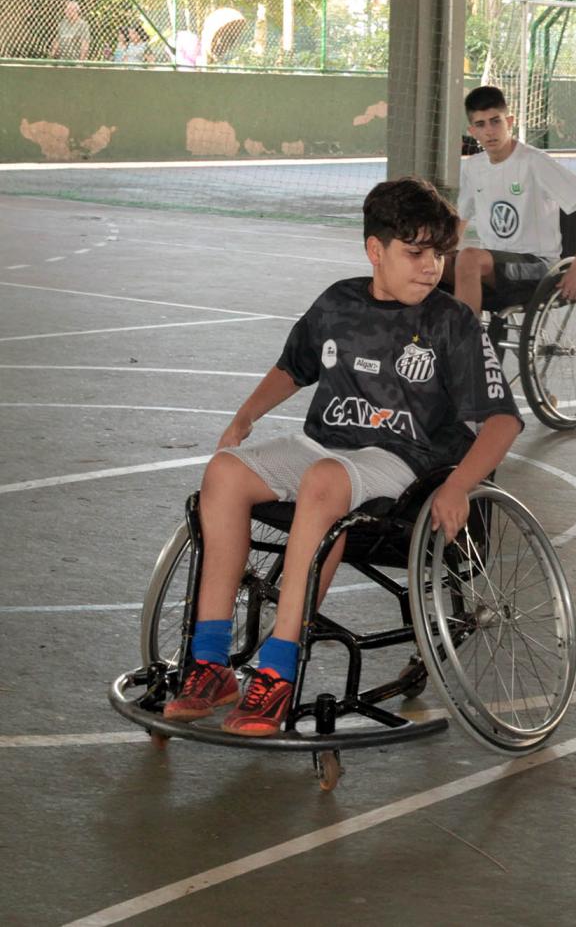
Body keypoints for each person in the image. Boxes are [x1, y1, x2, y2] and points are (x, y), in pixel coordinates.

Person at [162, 177, 523, 736]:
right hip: (324, 446)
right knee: (225, 473)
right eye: (415, 253)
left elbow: (502, 421)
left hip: (405, 461)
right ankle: (211, 664)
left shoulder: (450, 321)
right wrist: (246, 415)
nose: (431, 267)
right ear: (375, 251)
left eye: (439, 255)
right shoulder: (338, 302)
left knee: (323, 482)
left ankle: (277, 671)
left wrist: (457, 487)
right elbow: (293, 367)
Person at [451, 85, 576, 317]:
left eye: (496, 121)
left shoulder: (534, 162)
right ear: (472, 130)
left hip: (537, 267)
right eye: (481, 124)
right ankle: (454, 339)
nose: (489, 131)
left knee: (468, 258)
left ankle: (470, 347)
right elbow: (462, 217)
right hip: (496, 264)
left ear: (510, 121)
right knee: (437, 263)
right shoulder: (474, 167)